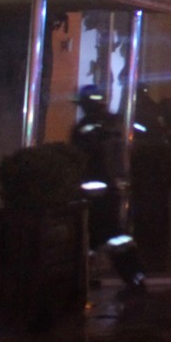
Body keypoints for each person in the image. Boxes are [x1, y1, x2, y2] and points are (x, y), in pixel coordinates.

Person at [70, 86, 146, 289]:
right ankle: (134, 275)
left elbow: (78, 157)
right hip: (114, 189)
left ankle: (84, 278)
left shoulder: (86, 128)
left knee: (96, 235)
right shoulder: (115, 122)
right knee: (111, 235)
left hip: (93, 194)